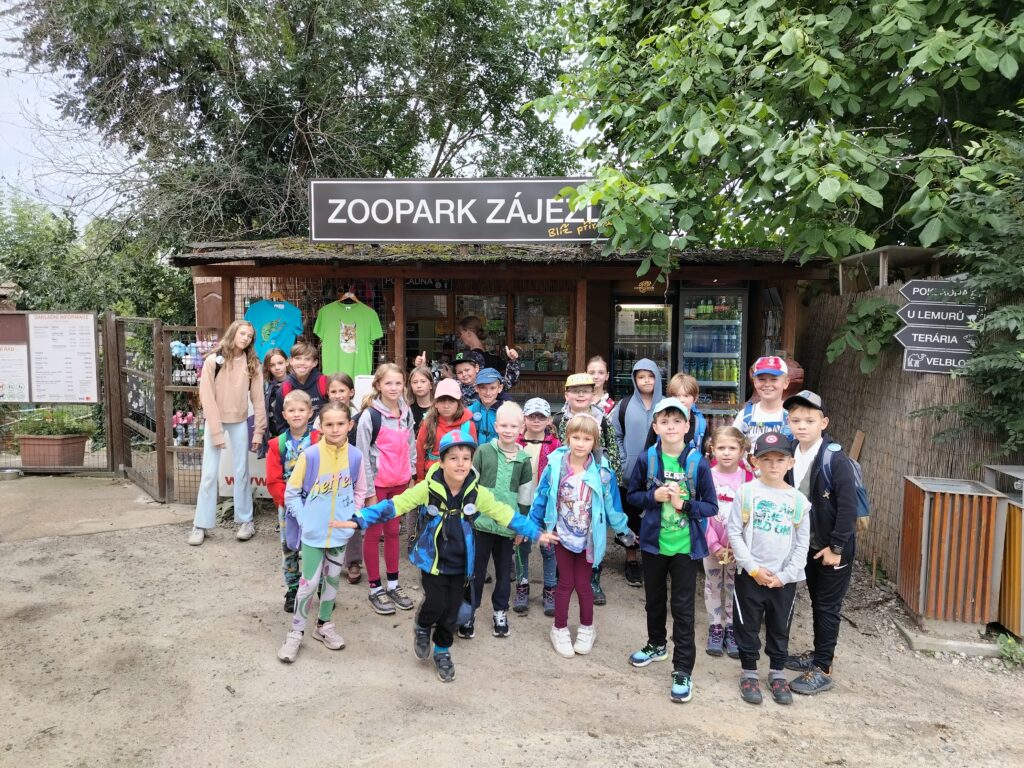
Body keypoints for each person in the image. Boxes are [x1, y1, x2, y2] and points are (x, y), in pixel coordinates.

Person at [332, 429, 558, 682]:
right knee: (436, 603)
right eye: (453, 458)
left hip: (462, 564)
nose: (460, 464)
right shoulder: (427, 488)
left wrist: (536, 533)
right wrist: (360, 519)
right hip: (433, 562)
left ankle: (442, 650)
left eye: (466, 458)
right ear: (441, 462)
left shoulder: (477, 493)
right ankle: (422, 626)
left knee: (453, 611)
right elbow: (395, 505)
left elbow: (505, 514)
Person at [626, 398, 718, 704]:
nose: (671, 427)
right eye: (664, 421)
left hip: (685, 549)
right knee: (653, 601)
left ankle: (682, 668)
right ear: (655, 427)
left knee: (682, 608)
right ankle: (656, 644)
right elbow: (633, 496)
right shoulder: (647, 459)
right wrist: (653, 496)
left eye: (677, 421)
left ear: (688, 426)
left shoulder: (698, 463)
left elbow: (711, 506)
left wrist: (684, 505)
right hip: (653, 544)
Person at [531, 414, 635, 658]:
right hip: (561, 535)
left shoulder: (602, 471)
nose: (580, 443)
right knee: (565, 583)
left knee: (584, 584)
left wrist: (624, 530)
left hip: (590, 538)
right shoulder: (555, 465)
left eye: (587, 439)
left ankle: (587, 628)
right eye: (576, 437)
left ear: (595, 442)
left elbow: (612, 504)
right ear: (567, 438)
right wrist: (533, 526)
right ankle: (559, 628)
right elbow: (541, 496)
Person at [277, 403, 366, 663]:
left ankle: (324, 625)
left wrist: (352, 516)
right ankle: (296, 632)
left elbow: (361, 490)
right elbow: (291, 493)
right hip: (313, 535)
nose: (335, 429)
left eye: (340, 424)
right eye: (329, 424)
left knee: (332, 581)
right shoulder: (311, 456)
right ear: (321, 426)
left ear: (350, 425)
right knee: (309, 583)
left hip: (340, 535)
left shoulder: (356, 457)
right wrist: (305, 520)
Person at [783, 390, 858, 696]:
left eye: (809, 420)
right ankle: (816, 655)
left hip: (832, 547)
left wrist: (836, 547)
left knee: (827, 606)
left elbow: (849, 507)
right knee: (816, 601)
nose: (802, 426)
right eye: (796, 420)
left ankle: (823, 668)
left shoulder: (834, 458)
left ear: (823, 423)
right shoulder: (790, 451)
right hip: (807, 546)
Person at [727, 431, 810, 706]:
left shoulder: (798, 501)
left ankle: (777, 672)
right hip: (750, 577)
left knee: (779, 625)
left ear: (791, 463)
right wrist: (752, 568)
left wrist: (785, 576)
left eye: (780, 459)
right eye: (766, 459)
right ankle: (749, 672)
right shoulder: (746, 492)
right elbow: (734, 532)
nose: (773, 465)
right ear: (755, 462)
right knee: (747, 625)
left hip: (783, 580)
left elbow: (802, 544)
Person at [188, 320, 266, 546]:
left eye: (249, 336)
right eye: (242, 334)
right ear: (233, 333)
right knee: (209, 474)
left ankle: (246, 521)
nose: (246, 338)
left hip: (239, 421)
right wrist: (216, 432)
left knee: (241, 471)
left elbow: (258, 401)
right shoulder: (214, 360)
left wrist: (258, 432)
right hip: (216, 421)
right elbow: (207, 398)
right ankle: (200, 524)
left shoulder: (253, 364)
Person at [461, 402, 533, 639]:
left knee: (503, 573)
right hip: (480, 525)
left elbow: (525, 496)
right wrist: (468, 516)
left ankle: (500, 611)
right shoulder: (483, 452)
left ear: (521, 428)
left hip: (507, 527)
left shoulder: (524, 460)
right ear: (496, 426)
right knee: (475, 571)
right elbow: (470, 485)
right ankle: (469, 611)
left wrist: (521, 527)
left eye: (513, 426)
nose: (508, 430)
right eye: (504, 425)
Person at [553, 372, 622, 606]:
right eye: (575, 391)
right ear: (566, 394)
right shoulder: (558, 420)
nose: (581, 395)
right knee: (564, 528)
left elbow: (612, 448)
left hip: (594, 485)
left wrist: (611, 477)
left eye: (585, 391)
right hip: (567, 486)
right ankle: (563, 576)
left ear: (594, 394)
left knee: (595, 532)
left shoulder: (603, 419)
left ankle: (593, 578)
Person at [356, 363, 417, 615]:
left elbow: (411, 445)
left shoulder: (406, 412)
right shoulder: (370, 416)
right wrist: (369, 492)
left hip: (400, 483)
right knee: (373, 534)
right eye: (388, 383)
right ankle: (375, 588)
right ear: (378, 385)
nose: (393, 388)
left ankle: (393, 584)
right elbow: (362, 456)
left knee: (393, 532)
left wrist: (411, 476)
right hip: (378, 486)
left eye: (398, 383)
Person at [610, 358, 663, 588]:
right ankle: (631, 559)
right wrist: (623, 461)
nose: (646, 381)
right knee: (630, 515)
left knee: (658, 516)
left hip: (660, 474)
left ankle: (655, 560)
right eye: (641, 377)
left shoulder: (666, 404)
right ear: (634, 379)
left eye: (650, 376)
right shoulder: (624, 405)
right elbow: (615, 435)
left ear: (657, 378)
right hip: (630, 473)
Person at [266, 390, 320, 613]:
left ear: (310, 412)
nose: (297, 414)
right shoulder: (277, 444)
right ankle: (293, 588)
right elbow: (273, 480)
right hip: (288, 507)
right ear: (284, 414)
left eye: (301, 410)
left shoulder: (320, 439)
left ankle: (318, 585)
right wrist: (288, 502)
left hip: (317, 504)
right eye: (292, 410)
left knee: (316, 546)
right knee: (289, 547)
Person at [703, 426, 753, 658]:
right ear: (712, 449)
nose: (726, 452)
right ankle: (716, 627)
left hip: (738, 547)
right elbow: (702, 514)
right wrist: (713, 544)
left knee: (735, 587)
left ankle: (733, 627)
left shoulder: (748, 479)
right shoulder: (706, 476)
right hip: (711, 544)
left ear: (742, 450)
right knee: (713, 584)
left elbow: (751, 515)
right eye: (721, 447)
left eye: (732, 448)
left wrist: (737, 545)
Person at [313, 372, 363, 584]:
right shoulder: (322, 417)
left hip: (349, 473)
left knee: (350, 515)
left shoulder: (360, 416)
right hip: (326, 474)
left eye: (342, 390)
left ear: (351, 392)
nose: (338, 394)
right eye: (333, 391)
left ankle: (353, 561)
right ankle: (323, 558)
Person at [514, 397, 561, 616]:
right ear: (524, 418)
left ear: (548, 419)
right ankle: (522, 586)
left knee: (548, 548)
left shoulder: (555, 446)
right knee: (522, 545)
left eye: (540, 417)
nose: (536, 420)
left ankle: (550, 589)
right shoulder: (516, 443)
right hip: (523, 503)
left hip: (546, 506)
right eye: (531, 416)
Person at [415, 378, 476, 482]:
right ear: (436, 403)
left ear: (458, 403)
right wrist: (420, 479)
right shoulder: (428, 424)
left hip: (459, 478)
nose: (446, 406)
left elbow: (472, 456)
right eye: (442, 401)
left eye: (451, 401)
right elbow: (419, 454)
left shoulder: (468, 425)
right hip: (432, 477)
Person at [733, 357, 792, 458]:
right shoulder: (745, 415)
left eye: (774, 379)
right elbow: (732, 445)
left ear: (786, 383)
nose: (767, 384)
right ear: (755, 382)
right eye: (761, 379)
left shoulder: (792, 415)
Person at [271, 341, 329, 432]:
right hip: (296, 438)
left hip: (324, 436)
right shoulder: (285, 389)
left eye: (307, 359)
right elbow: (281, 423)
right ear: (291, 361)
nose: (302, 362)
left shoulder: (324, 383)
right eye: (298, 358)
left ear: (315, 363)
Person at [456, 315, 521, 382]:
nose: (460, 337)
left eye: (461, 333)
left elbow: (469, 382)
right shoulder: (494, 358)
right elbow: (509, 380)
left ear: (468, 333)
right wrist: (513, 361)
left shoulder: (472, 357)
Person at [665, 373, 708, 455]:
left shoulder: (700, 425)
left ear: (695, 398)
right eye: (676, 396)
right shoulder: (661, 422)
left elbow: (704, 455)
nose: (681, 400)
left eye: (686, 396)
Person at [468, 368, 504, 444]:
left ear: (500, 388)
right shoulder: (469, 411)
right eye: (483, 388)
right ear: (476, 388)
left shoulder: (507, 412)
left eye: (492, 388)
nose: (488, 393)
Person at [262, 347, 290, 441]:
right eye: (272, 365)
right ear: (268, 367)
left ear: (287, 362)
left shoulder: (294, 383)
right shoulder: (265, 385)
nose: (277, 368)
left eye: (280, 363)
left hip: (290, 433)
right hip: (271, 435)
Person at [407, 365, 434, 433]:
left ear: (431, 385)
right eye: (415, 382)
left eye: (423, 381)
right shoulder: (407, 409)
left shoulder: (438, 407)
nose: (419, 386)